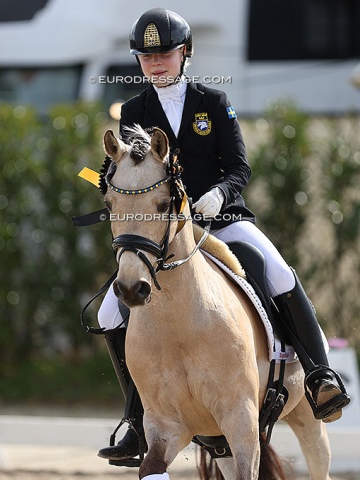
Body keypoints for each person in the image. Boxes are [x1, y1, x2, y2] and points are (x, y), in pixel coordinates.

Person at [96, 7, 350, 463]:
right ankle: (137, 419)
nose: (154, 63)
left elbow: (239, 166)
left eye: (164, 54)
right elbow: (129, 172)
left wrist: (217, 194)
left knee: (277, 271)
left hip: (223, 219)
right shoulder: (134, 110)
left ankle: (319, 375)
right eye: (145, 56)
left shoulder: (213, 102)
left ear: (184, 54)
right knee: (113, 310)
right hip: (163, 230)